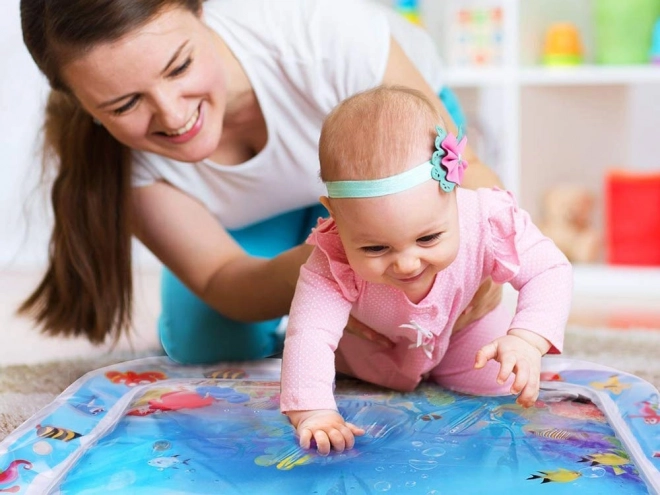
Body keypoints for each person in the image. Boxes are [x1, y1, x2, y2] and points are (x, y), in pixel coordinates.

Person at [19, 0, 504, 365]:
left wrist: (476, 263)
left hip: (386, 179)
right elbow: (220, 277)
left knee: (450, 341)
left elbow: (473, 172)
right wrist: (325, 280)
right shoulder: (116, 160)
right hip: (260, 224)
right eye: (124, 105)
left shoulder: (320, 32)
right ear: (84, 106)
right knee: (211, 349)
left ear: (203, 11)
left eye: (181, 66)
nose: (173, 113)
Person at [280, 86, 573, 456]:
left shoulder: (486, 218)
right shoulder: (333, 257)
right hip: (374, 348)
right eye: (375, 247)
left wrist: (527, 338)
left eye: (428, 238)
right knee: (350, 383)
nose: (406, 263)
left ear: (454, 193)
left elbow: (549, 269)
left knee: (506, 391)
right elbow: (310, 332)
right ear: (335, 216)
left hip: (468, 331)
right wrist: (314, 411)